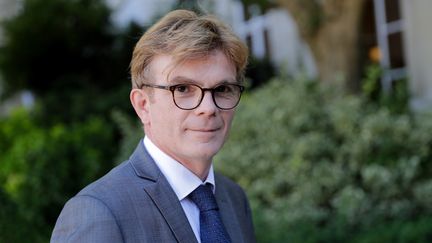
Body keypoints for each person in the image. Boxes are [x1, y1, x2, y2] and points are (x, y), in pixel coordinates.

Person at [51, 9, 256, 243]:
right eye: (182, 89)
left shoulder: (234, 198)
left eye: (222, 89)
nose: (208, 108)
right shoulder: (98, 212)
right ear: (143, 105)